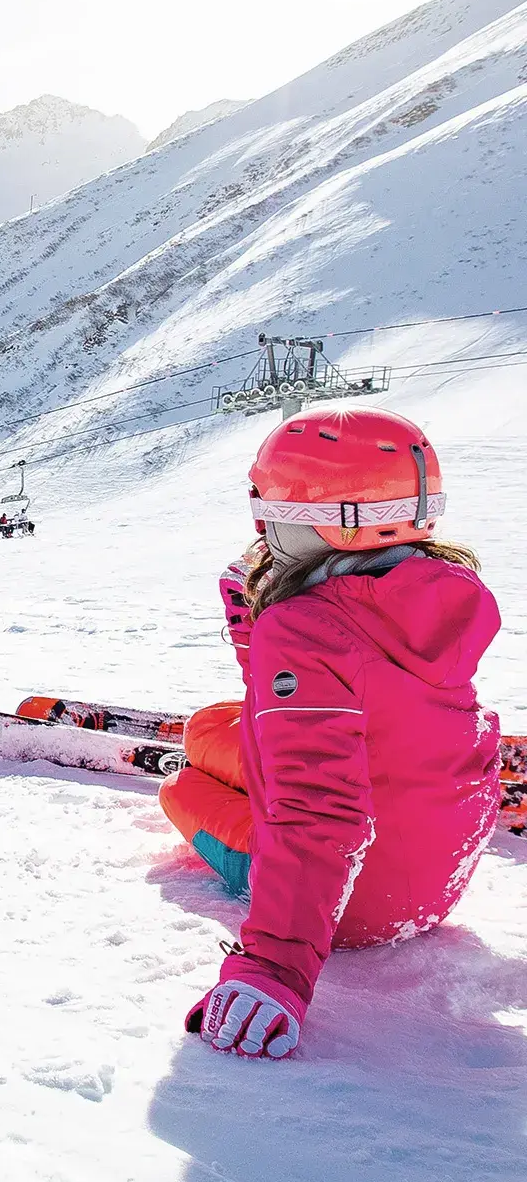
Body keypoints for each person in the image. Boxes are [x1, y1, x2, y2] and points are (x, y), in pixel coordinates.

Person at [158, 408, 500, 1059]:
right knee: (211, 724)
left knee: (181, 787)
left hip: (354, 909)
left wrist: (275, 969)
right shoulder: (437, 593)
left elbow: (318, 806)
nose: (260, 526)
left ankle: (204, 791)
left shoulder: (307, 625)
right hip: (436, 881)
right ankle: (220, 758)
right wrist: (253, 634)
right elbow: (323, 689)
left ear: (321, 517)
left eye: (268, 509)